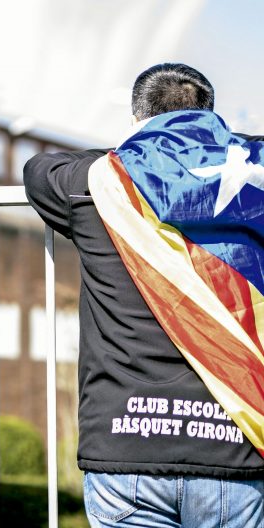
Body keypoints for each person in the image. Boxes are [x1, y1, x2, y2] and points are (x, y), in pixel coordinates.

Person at [23, 63, 264, 527]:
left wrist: (142, 150)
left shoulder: (99, 186)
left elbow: (39, 168)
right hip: (234, 446)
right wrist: (214, 149)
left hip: (124, 446)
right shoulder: (249, 191)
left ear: (137, 121)